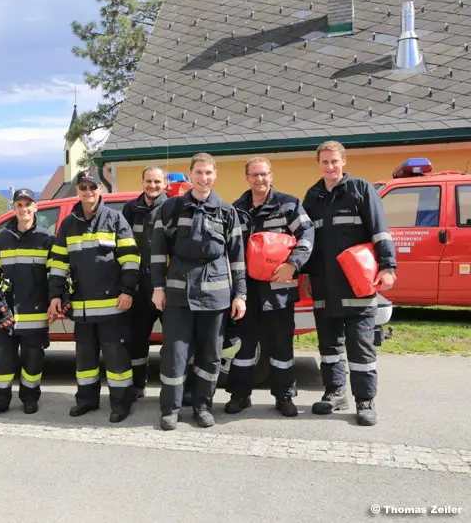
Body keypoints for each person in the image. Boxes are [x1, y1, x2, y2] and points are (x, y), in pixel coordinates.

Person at [301, 141, 397, 426]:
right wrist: (305, 275)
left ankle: (365, 400)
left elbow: (380, 231)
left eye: (334, 161)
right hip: (324, 287)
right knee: (329, 346)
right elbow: (307, 241)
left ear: (343, 161)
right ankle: (335, 392)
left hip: (358, 287)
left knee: (360, 347)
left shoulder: (361, 190)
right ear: (318, 164)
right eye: (325, 162)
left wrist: (388, 267)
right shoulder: (313, 197)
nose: (330, 166)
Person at [150, 153, 246, 431]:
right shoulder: (171, 208)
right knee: (175, 354)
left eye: (208, 173)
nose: (204, 178)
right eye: (199, 173)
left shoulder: (227, 211)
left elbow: (237, 258)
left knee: (210, 355)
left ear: (215, 175)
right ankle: (170, 410)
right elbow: (157, 252)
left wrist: (240, 295)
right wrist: (158, 288)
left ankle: (203, 407)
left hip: (216, 297)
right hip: (178, 295)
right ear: (190, 175)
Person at [224, 157, 315, 417]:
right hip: (247, 290)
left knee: (281, 345)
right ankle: (240, 395)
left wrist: (293, 264)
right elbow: (230, 248)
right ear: (247, 178)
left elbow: (307, 235)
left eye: (263, 174)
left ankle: (284, 396)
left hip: (279, 289)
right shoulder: (237, 210)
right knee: (244, 346)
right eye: (254, 175)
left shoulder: (288, 205)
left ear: (271, 176)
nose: (259, 179)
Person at [48, 169, 139, 423]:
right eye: (83, 187)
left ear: (100, 189)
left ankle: (121, 404)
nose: (88, 191)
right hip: (82, 308)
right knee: (85, 360)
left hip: (113, 307)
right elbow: (58, 263)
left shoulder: (115, 219)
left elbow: (130, 259)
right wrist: (55, 295)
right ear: (77, 191)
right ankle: (86, 400)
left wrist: (128, 290)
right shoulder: (68, 224)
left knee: (117, 360)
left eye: (92, 187)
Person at [0, 188, 53, 418]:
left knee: (33, 363)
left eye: (28, 204)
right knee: (0, 361)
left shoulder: (46, 239)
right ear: (14, 208)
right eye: (19, 205)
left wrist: (54, 302)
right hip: (5, 313)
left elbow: (55, 276)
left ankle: (30, 399)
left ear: (35, 207)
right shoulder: (3, 238)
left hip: (35, 313)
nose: (24, 209)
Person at [121, 165, 168, 397]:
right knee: (137, 340)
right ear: (142, 182)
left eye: (157, 181)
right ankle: (138, 386)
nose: (152, 185)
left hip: (166, 285)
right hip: (138, 285)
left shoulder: (172, 208)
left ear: (165, 184)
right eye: (148, 181)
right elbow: (122, 245)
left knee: (174, 340)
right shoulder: (130, 208)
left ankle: (174, 388)